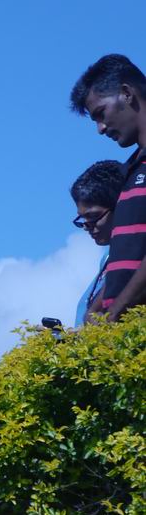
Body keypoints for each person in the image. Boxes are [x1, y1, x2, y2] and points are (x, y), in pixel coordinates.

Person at [70, 54, 146, 321]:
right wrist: (98, 306)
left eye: (101, 114)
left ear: (127, 93)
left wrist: (115, 311)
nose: (100, 129)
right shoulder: (131, 170)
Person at [69, 159, 126, 325]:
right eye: (83, 219)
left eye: (93, 216)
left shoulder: (133, 257)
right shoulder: (107, 257)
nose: (87, 227)